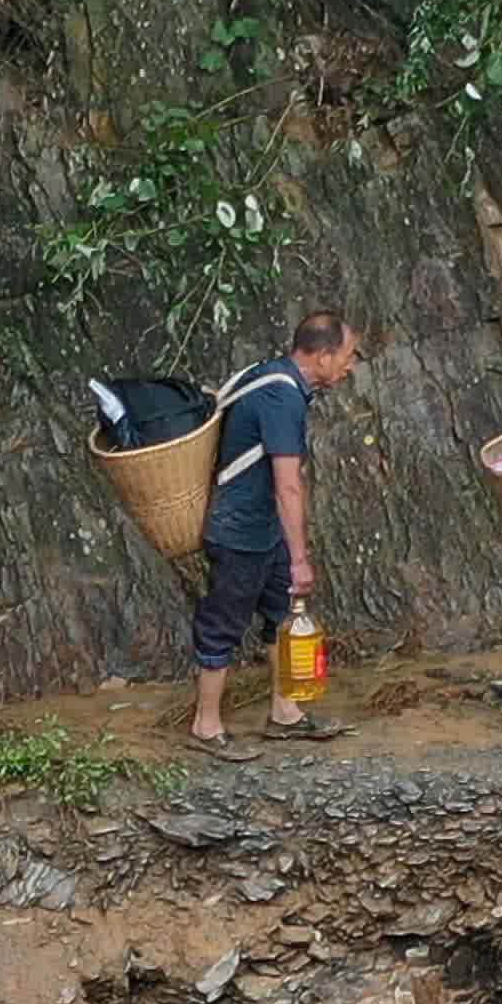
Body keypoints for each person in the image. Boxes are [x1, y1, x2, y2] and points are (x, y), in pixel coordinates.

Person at [191, 310, 363, 748]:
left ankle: (285, 713)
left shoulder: (269, 376)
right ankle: (205, 727)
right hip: (240, 532)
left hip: (265, 530)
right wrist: (300, 558)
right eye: (347, 355)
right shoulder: (282, 398)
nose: (350, 365)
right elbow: (288, 484)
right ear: (322, 356)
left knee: (283, 615)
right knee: (223, 625)